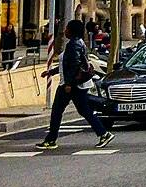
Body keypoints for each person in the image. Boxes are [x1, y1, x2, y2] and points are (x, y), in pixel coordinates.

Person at [37, 19, 112, 150]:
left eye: (67, 28)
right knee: (83, 110)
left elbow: (74, 66)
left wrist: (69, 84)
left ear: (72, 30)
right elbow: (65, 65)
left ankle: (51, 140)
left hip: (72, 85)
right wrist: (51, 72)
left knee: (57, 111)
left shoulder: (74, 44)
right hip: (75, 84)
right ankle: (103, 133)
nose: (65, 30)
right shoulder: (76, 43)